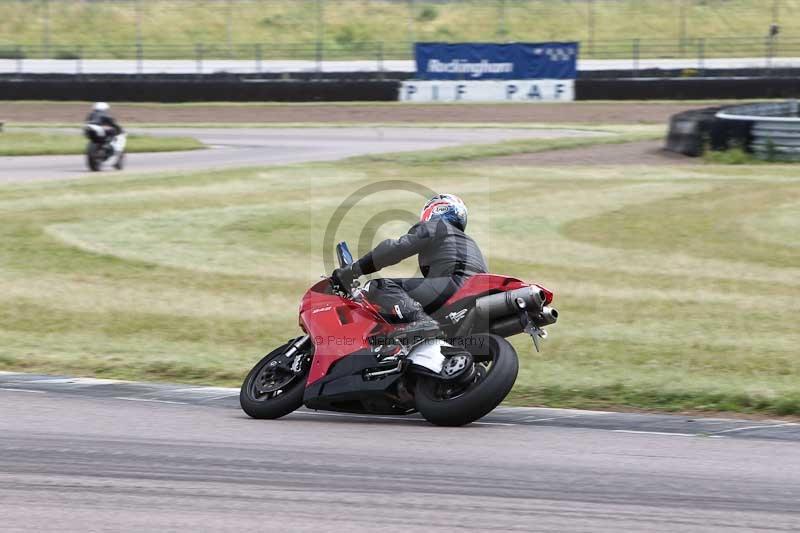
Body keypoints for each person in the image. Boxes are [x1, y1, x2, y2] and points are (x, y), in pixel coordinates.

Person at [332, 193, 488, 334]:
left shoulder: (437, 226)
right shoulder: (468, 242)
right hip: (475, 291)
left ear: (436, 209)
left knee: (378, 286)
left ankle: (419, 321)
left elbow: (396, 249)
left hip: (454, 286)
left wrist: (354, 269)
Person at [86, 102, 126, 169]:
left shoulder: (90, 115)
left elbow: (87, 124)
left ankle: (106, 148)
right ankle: (116, 158)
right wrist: (120, 129)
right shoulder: (106, 115)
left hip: (92, 133)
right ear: (105, 108)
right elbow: (114, 124)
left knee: (111, 132)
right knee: (118, 134)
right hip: (99, 134)